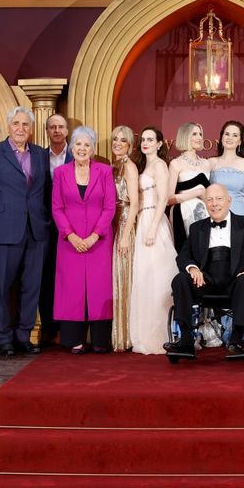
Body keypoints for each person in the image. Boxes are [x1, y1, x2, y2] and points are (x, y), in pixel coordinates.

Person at [164, 184, 244, 359]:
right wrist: (192, 268)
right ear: (205, 204)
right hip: (205, 281)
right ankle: (185, 342)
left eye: (219, 199)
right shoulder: (197, 228)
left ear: (229, 201)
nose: (214, 204)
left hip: (236, 280)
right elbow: (183, 256)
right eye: (209, 200)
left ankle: (236, 341)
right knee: (180, 279)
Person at [0, 106, 50, 357]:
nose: (21, 128)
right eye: (16, 124)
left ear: (31, 128)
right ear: (8, 126)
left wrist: (46, 223)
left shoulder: (40, 154)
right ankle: (3, 337)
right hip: (3, 230)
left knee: (31, 286)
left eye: (25, 124)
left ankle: (23, 335)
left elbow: (45, 192)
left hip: (36, 231)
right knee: (1, 286)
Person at [51, 126, 117, 354]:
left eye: (87, 144)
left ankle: (100, 340)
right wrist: (70, 235)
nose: (82, 148)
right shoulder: (60, 173)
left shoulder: (105, 171)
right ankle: (73, 339)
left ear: (93, 148)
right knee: (72, 288)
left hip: (98, 240)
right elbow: (57, 208)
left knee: (100, 288)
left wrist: (94, 236)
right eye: (78, 144)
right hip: (70, 242)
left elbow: (110, 207)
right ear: (72, 147)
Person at [130, 127, 178, 355]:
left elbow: (163, 200)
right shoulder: (143, 165)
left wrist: (152, 227)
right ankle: (145, 333)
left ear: (160, 144)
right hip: (143, 219)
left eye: (151, 139)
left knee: (158, 275)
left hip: (154, 221)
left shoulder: (159, 165)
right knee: (144, 276)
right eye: (143, 139)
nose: (146, 143)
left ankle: (163, 335)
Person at [40, 113, 74, 347]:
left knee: (68, 278)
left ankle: (68, 330)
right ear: (47, 131)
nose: (57, 131)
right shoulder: (36, 157)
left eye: (61, 127)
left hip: (71, 227)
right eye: (52, 127)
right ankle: (48, 329)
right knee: (45, 279)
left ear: (67, 131)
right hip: (43, 227)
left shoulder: (77, 156)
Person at [110, 125, 139, 352]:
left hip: (125, 222)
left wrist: (127, 235)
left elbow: (135, 203)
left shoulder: (129, 167)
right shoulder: (112, 166)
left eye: (123, 140)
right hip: (114, 221)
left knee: (124, 276)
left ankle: (127, 334)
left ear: (130, 145)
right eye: (115, 139)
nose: (118, 143)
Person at [167, 122, 210, 251]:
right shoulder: (176, 164)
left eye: (200, 134)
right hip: (183, 213)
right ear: (185, 136)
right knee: (187, 251)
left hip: (205, 213)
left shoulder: (206, 163)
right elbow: (168, 199)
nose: (199, 137)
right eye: (194, 134)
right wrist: (197, 192)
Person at [209, 120, 244, 218]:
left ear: (240, 141)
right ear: (221, 138)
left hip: (240, 216)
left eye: (235, 135)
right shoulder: (211, 163)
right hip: (215, 215)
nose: (230, 138)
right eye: (227, 134)